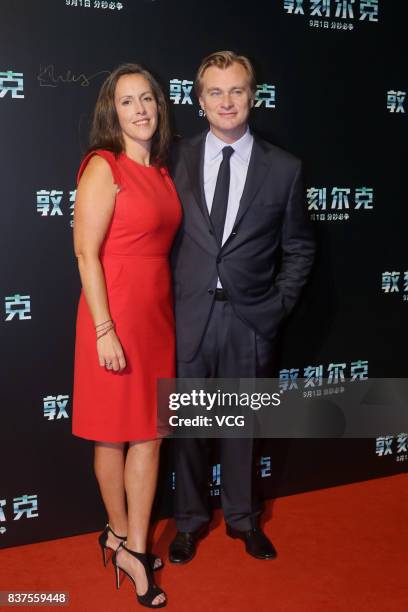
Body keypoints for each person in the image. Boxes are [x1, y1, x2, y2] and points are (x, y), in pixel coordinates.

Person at [169, 51, 315, 564]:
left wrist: (276, 306)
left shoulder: (285, 168)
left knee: (242, 430)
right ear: (200, 100)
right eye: (215, 91)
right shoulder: (175, 157)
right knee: (188, 431)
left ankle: (242, 519)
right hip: (189, 318)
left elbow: (299, 247)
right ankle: (187, 521)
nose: (226, 101)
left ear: (253, 95)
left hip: (251, 319)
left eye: (236, 90)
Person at [72, 63, 181, 608]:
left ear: (159, 107)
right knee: (111, 433)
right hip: (111, 316)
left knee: (151, 432)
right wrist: (104, 329)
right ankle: (121, 537)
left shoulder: (161, 170)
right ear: (111, 113)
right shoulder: (103, 165)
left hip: (156, 317)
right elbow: (85, 252)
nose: (139, 110)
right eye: (127, 102)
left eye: (147, 100)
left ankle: (131, 542)